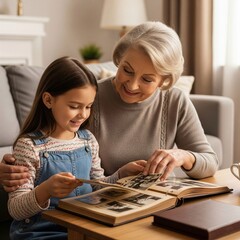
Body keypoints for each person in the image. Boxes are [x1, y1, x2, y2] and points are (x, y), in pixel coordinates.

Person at [1, 21, 218, 191]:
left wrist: (183, 156)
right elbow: (45, 146)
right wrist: (15, 166)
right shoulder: (90, 97)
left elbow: (210, 162)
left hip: (156, 206)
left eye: (147, 79)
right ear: (119, 59)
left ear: (164, 80)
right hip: (100, 204)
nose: (132, 85)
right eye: (127, 70)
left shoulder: (175, 100)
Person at [7, 56, 145, 240]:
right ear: (48, 100)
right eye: (74, 106)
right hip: (41, 232)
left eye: (88, 106)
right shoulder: (29, 146)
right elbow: (16, 209)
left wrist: (121, 175)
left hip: (82, 226)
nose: (83, 114)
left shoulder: (88, 140)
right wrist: (45, 190)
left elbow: (97, 187)